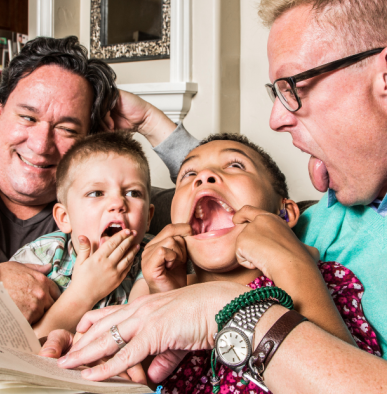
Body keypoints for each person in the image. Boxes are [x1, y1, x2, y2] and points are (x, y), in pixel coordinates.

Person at [40, 0, 387, 389]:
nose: (275, 118)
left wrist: (234, 304)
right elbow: (214, 179)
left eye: (292, 86)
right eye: (187, 176)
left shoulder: (311, 266)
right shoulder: (336, 204)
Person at [139, 133, 379, 393]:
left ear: (285, 213)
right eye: (188, 174)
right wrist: (163, 297)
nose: (204, 176)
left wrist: (291, 263)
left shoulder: (328, 281)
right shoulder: (158, 289)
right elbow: (148, 381)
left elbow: (346, 374)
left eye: (235, 165)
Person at [0, 35, 119, 324]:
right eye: (28, 118)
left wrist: (149, 122)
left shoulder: (109, 203)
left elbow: (207, 200)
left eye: (66, 129)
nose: (40, 145)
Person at [9, 132, 155, 338]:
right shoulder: (39, 257)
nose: (118, 203)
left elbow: (142, 334)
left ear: (148, 217)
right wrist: (85, 292)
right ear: (64, 217)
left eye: (133, 193)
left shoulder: (153, 257)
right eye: (96, 193)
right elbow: (14, 346)